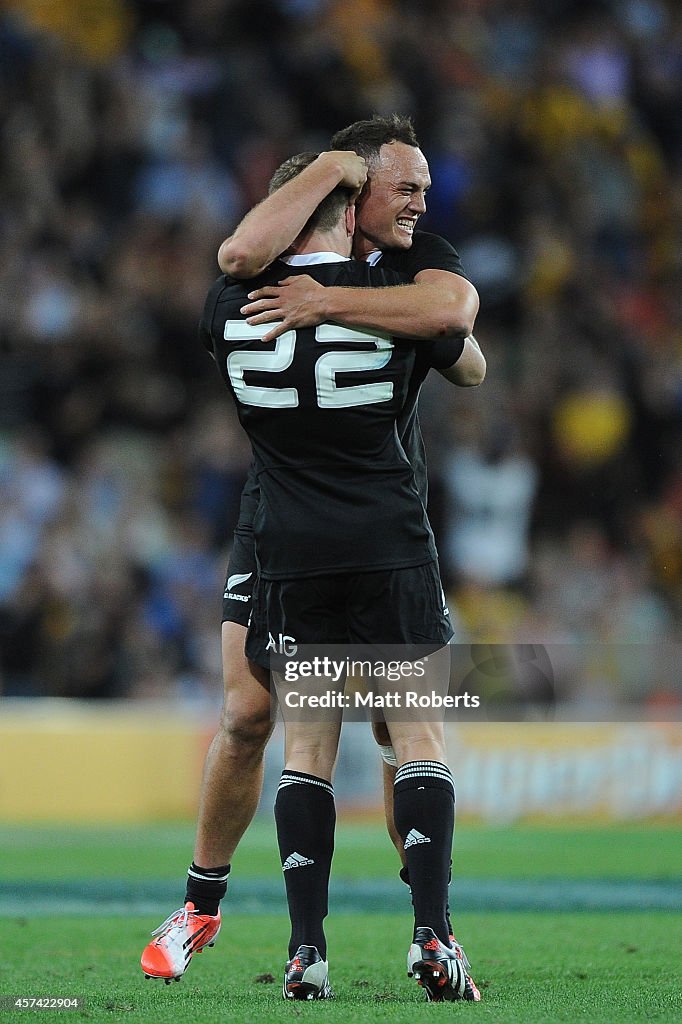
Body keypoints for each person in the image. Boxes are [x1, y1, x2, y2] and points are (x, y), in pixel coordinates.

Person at [140, 117, 483, 1002]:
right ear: (350, 197)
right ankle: (209, 904)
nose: (418, 204)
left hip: (297, 526)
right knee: (255, 716)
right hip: (355, 520)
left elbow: (456, 332)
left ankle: (314, 944)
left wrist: (328, 300)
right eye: (402, 187)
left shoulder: (258, 304)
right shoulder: (399, 287)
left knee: (318, 737)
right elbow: (463, 348)